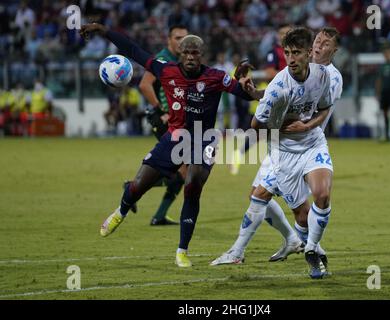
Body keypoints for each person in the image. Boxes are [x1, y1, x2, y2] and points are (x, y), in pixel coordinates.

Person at [79, 23, 258, 268]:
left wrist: (251, 89)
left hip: (204, 138)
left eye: (195, 53)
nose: (191, 57)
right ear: (180, 55)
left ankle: (182, 251)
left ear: (201, 55)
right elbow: (132, 50)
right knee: (139, 184)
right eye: (186, 53)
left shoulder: (216, 77)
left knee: (193, 183)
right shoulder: (166, 70)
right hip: (174, 137)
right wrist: (102, 29)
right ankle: (120, 212)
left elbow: (245, 93)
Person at [211, 28, 343, 275]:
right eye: (317, 41)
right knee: (275, 203)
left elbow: (319, 107)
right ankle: (299, 244)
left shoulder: (329, 77)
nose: (318, 46)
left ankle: (303, 247)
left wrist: (304, 124)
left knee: (308, 196)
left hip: (311, 143)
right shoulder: (285, 80)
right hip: (282, 151)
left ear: (334, 51)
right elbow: (278, 100)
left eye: (325, 44)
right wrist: (258, 95)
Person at [138, 25, 188, 226]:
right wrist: (160, 110)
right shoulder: (162, 59)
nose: (181, 42)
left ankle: (158, 214)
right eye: (178, 38)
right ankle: (136, 186)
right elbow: (144, 84)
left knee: (183, 169)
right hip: (163, 121)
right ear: (169, 40)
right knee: (185, 169)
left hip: (176, 122)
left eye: (185, 38)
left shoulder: (181, 60)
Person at [230, 24, 291, 175]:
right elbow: (269, 72)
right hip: (278, 98)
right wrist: (290, 75)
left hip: (291, 98)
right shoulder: (275, 52)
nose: (284, 36)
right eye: (282, 33)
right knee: (265, 131)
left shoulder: (294, 52)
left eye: (288, 33)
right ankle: (241, 155)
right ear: (277, 35)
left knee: (270, 132)